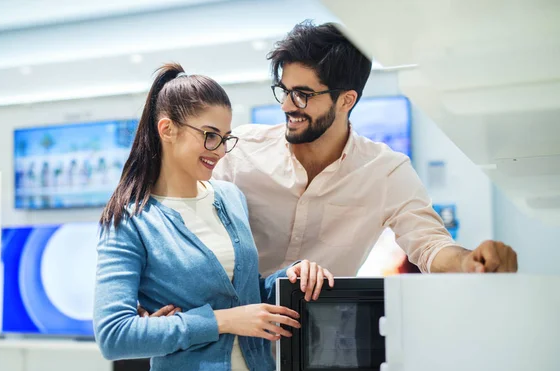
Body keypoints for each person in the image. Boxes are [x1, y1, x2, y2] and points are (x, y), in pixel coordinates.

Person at [93, 63, 334, 371]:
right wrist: (222, 321)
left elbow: (245, 296)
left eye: (225, 138)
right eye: (209, 135)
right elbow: (114, 336)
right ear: (167, 129)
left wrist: (290, 276)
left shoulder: (230, 198)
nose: (219, 150)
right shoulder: (130, 219)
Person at [212, 20, 518, 277]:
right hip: (235, 330)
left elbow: (429, 244)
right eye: (285, 90)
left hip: (321, 336)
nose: (287, 105)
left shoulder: (385, 171)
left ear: (346, 100)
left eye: (303, 94)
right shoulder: (241, 151)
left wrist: (469, 261)